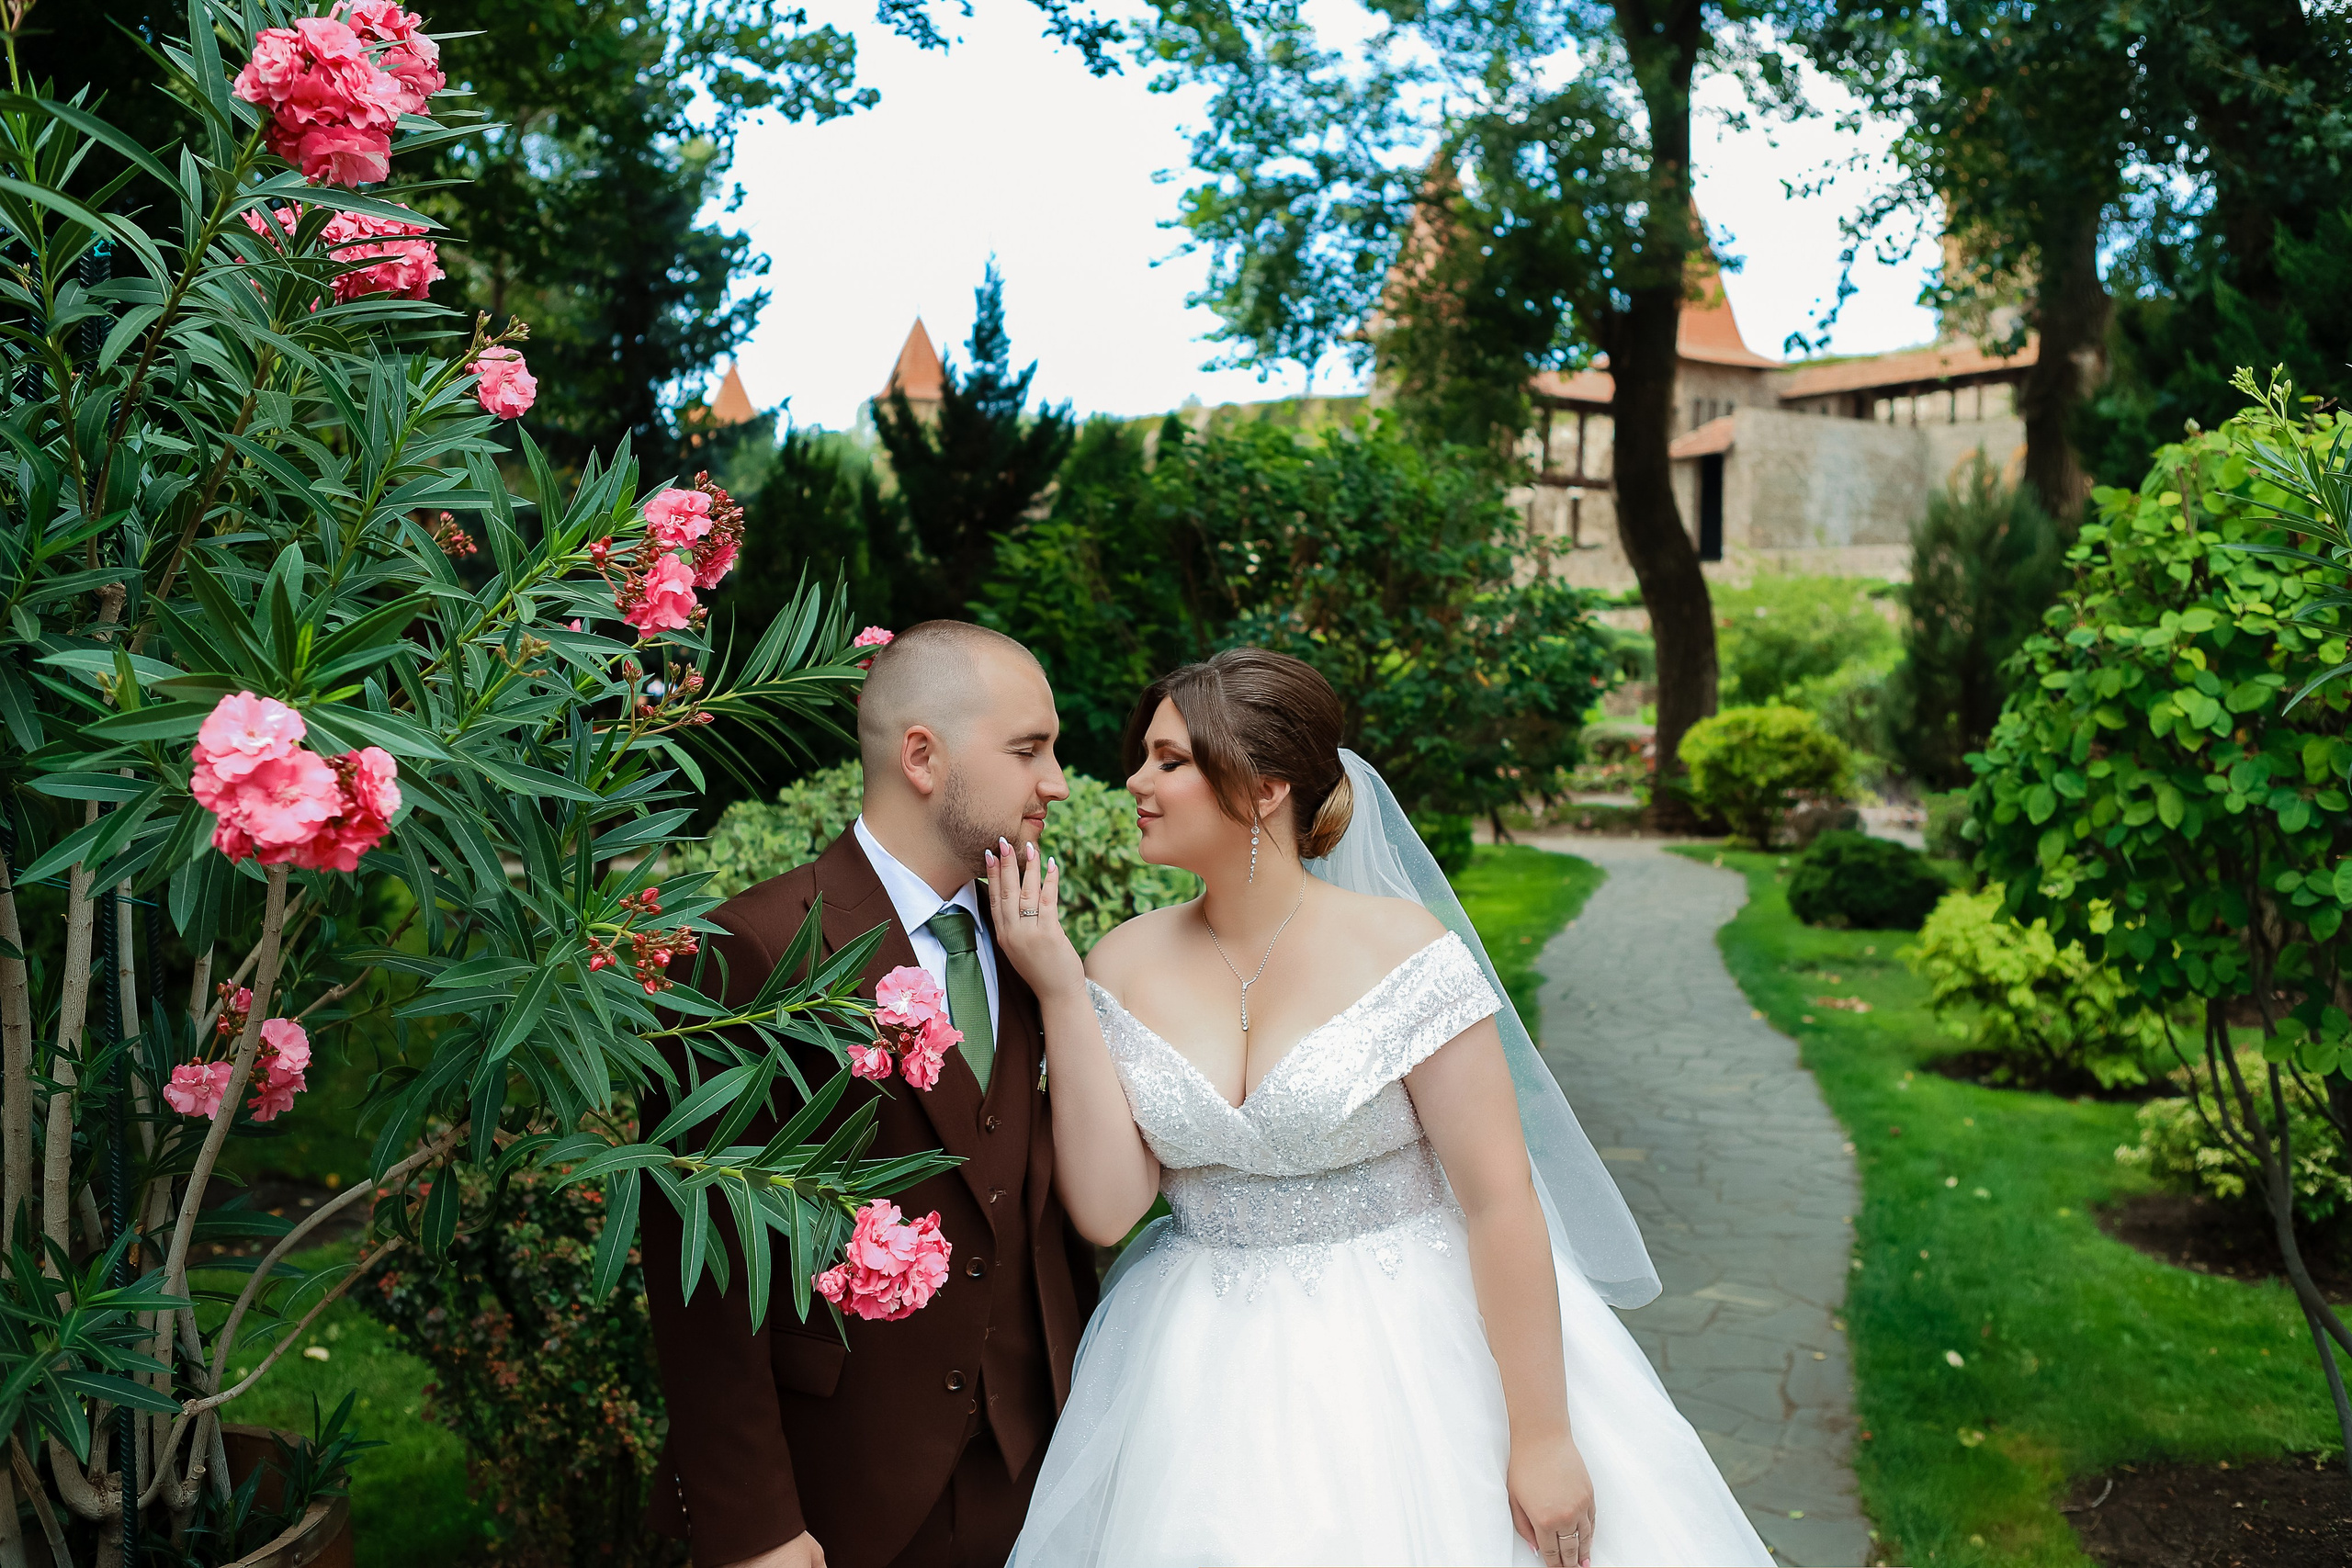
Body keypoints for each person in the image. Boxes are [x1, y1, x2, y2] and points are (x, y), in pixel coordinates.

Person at [989, 647, 1774, 1567]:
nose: (1135, 781)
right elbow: (1111, 1207)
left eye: (1171, 760)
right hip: (1200, 1367)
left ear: (1267, 786)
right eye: (1145, 757)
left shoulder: (1400, 949)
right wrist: (1059, 994)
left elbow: (1498, 1198)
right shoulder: (1118, 962)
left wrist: (1541, 1437)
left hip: (1413, 1349)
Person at [642, 621, 1101, 1568]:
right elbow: (702, 1269)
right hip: (845, 1483)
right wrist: (751, 1525)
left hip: (1037, 1471)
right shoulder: (754, 948)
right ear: (922, 757)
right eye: (1029, 750)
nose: (1055, 782)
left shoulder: (1029, 940)